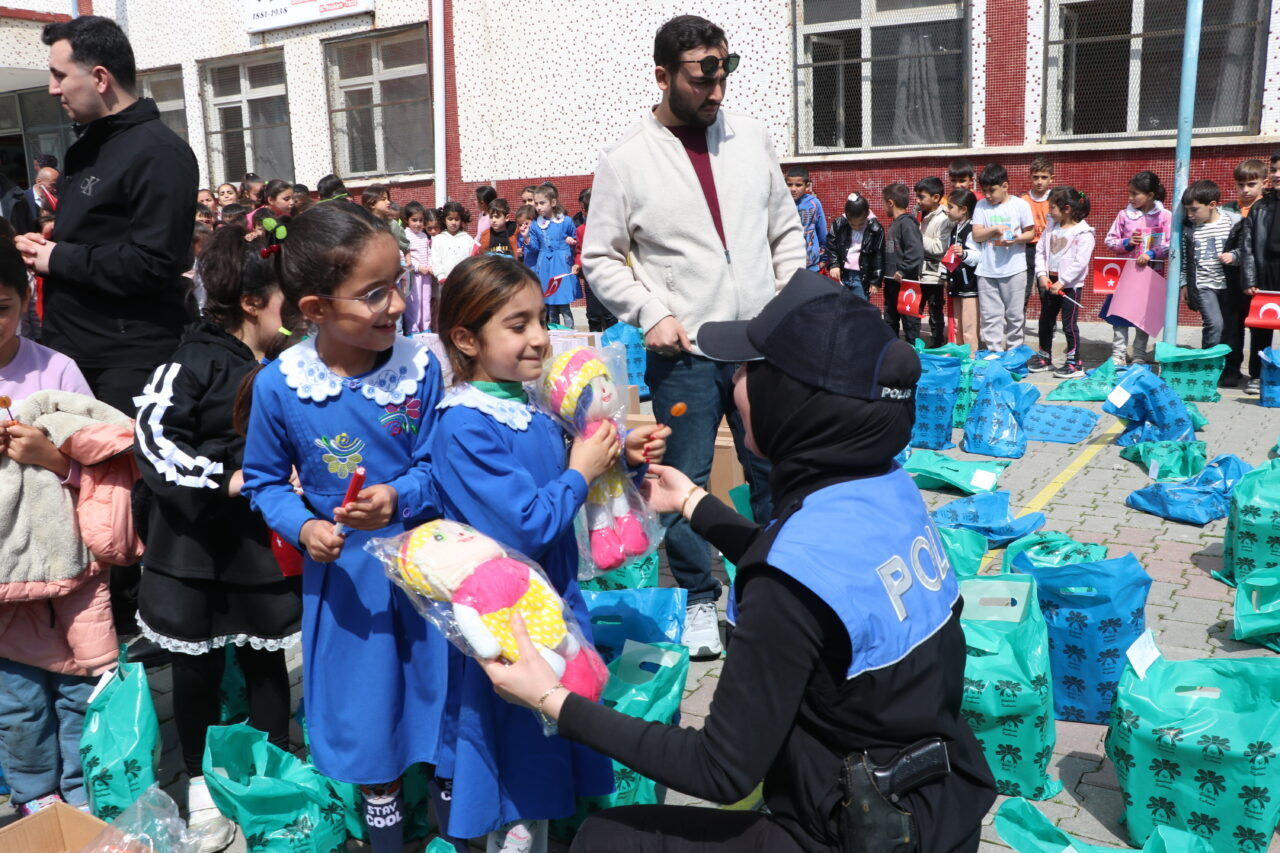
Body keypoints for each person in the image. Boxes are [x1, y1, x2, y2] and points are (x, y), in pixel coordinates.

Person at [479, 270, 997, 852]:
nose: (734, 383)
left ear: (793, 400)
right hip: (940, 805)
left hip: (855, 831)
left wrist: (549, 698)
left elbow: (719, 770)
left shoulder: (787, 581)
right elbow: (821, 582)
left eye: (750, 370)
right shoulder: (889, 489)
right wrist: (692, 502)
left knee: (607, 839)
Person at [583, 15, 804, 658]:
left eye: (723, 74)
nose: (715, 93)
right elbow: (601, 258)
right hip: (683, 351)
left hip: (762, 345)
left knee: (773, 472)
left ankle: (767, 593)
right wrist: (650, 311)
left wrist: (789, 304)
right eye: (701, 78)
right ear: (661, 76)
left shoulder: (752, 139)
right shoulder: (625, 161)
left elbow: (784, 234)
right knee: (683, 475)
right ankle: (699, 599)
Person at [431, 254, 668, 851]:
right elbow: (531, 522)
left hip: (554, 606)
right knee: (520, 770)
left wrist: (618, 455)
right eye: (517, 325)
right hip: (512, 624)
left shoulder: (529, 404)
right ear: (466, 338)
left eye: (540, 319)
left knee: (550, 744)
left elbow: (567, 485)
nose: (539, 337)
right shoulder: (465, 425)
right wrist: (580, 472)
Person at [240, 203, 450, 853]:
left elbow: (439, 462)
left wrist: (399, 495)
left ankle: (455, 833)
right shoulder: (280, 388)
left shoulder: (421, 367)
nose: (395, 305)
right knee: (368, 724)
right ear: (316, 309)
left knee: (441, 707)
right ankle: (386, 832)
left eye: (398, 284)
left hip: (427, 566)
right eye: (373, 294)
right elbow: (264, 481)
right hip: (349, 583)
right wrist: (305, 528)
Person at [17, 15, 198, 659]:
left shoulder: (160, 153)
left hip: (130, 356)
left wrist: (56, 260)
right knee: (81, 489)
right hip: (74, 352)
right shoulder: (87, 146)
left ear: (99, 75)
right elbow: (99, 244)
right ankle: (102, 612)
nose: (53, 90)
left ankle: (157, 622)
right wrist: (55, 248)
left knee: (137, 489)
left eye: (60, 76)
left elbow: (154, 263)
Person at [132, 224, 301, 850]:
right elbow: (151, 438)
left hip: (255, 549)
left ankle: (273, 775)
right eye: (281, 300)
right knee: (195, 671)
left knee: (266, 666)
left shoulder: (276, 363)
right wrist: (227, 480)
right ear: (253, 302)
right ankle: (203, 786)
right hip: (193, 551)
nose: (288, 313)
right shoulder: (189, 360)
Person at [0, 240, 120, 818]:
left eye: (0, 305)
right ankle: (35, 801)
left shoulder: (56, 369)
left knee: (80, 689)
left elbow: (104, 459)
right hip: (4, 580)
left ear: (25, 300)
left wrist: (51, 459)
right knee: (17, 702)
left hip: (70, 569)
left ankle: (82, 798)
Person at [1103, 170, 1170, 366]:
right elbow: (1110, 240)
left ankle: (1139, 354)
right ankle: (1118, 354)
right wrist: (1127, 243)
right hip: (1126, 274)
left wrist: (1151, 253)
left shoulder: (1164, 216)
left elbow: (1169, 244)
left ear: (1150, 195)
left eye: (1135, 194)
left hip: (1151, 275)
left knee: (1143, 317)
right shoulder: (1124, 215)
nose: (1130, 198)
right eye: (1129, 193)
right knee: (1120, 314)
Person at [970, 163, 1034, 352]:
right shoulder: (981, 205)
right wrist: (994, 230)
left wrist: (1016, 239)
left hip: (1014, 269)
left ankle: (1014, 352)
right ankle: (994, 352)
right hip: (987, 270)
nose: (988, 196)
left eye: (992, 191)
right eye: (985, 191)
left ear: (1005, 186)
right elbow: (976, 235)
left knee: (1014, 315)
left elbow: (1030, 234)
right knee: (991, 316)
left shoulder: (1020, 205)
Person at [1031, 186, 1093, 379]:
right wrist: (1042, 274)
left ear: (1066, 208)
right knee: (1045, 320)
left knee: (1069, 324)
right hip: (1050, 281)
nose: (1049, 212)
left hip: (1070, 286)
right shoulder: (1051, 227)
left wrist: (1063, 281)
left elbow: (1080, 262)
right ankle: (1044, 356)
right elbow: (1040, 251)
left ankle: (1074, 362)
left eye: (1052, 208)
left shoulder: (1084, 232)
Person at [1180, 180, 1242, 365]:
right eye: (1187, 210)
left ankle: (1230, 369)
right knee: (1214, 324)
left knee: (1231, 327)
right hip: (1204, 285)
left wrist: (1233, 256)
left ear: (1212, 205)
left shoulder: (1234, 222)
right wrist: (1184, 283)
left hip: (1229, 285)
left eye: (1194, 209)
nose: (1190, 214)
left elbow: (1245, 249)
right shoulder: (1189, 229)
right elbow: (1185, 259)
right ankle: (1208, 365)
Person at [1234, 175, 1276, 397]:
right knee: (1260, 329)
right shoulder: (1261, 206)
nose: (1278, 174)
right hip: (1265, 275)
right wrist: (1249, 279)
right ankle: (1258, 376)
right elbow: (1247, 246)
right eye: (1275, 169)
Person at [528, 182, 581, 329]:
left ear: (553, 202)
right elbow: (535, 247)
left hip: (562, 264)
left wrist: (572, 241)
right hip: (545, 265)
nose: (538, 207)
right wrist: (527, 239)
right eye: (536, 203)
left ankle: (570, 334)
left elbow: (577, 240)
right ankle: (555, 336)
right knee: (550, 305)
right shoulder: (535, 224)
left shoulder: (566, 221)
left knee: (564, 305)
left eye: (542, 203)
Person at [882, 182, 923, 344]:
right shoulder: (895, 224)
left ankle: (915, 356)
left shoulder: (907, 224)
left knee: (909, 323)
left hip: (906, 284)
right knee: (890, 320)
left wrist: (903, 271)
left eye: (884, 203)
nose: (884, 207)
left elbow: (916, 252)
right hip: (892, 282)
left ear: (890, 203)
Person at [822, 191, 882, 301]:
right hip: (842, 274)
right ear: (847, 219)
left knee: (860, 310)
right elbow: (831, 244)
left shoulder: (875, 228)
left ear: (867, 215)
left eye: (861, 224)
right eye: (852, 224)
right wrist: (834, 264)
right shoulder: (839, 224)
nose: (857, 227)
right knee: (840, 308)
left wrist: (875, 281)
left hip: (861, 276)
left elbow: (879, 255)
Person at [944, 188, 981, 355]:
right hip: (956, 283)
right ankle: (959, 355)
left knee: (969, 326)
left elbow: (978, 256)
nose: (947, 210)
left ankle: (971, 358)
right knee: (957, 324)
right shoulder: (955, 229)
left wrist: (964, 253)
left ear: (964, 209)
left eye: (951, 207)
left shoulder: (971, 229)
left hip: (969, 287)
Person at [575, 188, 617, 332]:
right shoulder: (581, 230)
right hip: (590, 277)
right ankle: (595, 343)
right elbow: (579, 252)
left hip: (608, 275)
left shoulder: (611, 227)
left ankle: (614, 342)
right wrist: (577, 264)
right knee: (593, 314)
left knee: (610, 313)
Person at [916, 176, 949, 347]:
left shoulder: (944, 218)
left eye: (922, 197)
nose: (918, 201)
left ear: (936, 198)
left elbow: (939, 248)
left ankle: (937, 342)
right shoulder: (920, 214)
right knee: (915, 308)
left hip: (934, 274)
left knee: (935, 310)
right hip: (919, 272)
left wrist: (917, 237)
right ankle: (914, 340)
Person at [1022, 157, 1054, 310]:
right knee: (1024, 288)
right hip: (1027, 247)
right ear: (1030, 177)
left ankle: (1049, 327)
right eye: (1035, 177)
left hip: (1049, 248)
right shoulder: (1023, 200)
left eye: (1044, 177)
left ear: (1051, 179)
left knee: (1046, 289)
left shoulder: (1055, 199)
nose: (1039, 181)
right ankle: (1018, 327)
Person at [402, 201, 438, 335]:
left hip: (426, 275)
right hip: (413, 275)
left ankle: (426, 329)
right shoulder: (405, 235)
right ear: (406, 220)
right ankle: (414, 330)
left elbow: (428, 252)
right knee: (414, 305)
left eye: (421, 220)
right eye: (414, 220)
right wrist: (418, 268)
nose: (418, 224)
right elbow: (403, 257)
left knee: (425, 302)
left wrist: (430, 266)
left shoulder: (424, 236)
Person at [786, 166, 827, 272]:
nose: (793, 189)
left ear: (807, 186)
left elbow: (822, 233)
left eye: (798, 185)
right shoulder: (781, 205)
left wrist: (824, 260)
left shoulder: (814, 203)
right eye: (789, 185)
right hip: (788, 266)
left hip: (812, 266)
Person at [432, 200, 474, 285]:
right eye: (450, 219)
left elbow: (472, 260)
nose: (453, 222)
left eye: (457, 219)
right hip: (444, 282)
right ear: (444, 220)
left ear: (461, 220)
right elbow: (435, 260)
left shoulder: (468, 239)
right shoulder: (438, 239)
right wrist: (441, 276)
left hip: (464, 282)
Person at [9, 165, 59, 236]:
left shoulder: (57, 199)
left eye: (58, 186)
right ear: (39, 181)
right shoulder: (22, 200)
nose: (55, 190)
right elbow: (19, 228)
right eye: (53, 185)